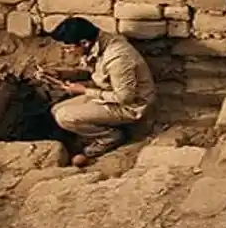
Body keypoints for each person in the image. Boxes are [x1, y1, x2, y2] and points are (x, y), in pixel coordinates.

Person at [45, 17, 156, 159]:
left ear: (84, 43)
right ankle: (93, 131)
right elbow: (92, 73)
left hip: (131, 106)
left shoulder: (117, 58)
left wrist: (84, 91)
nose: (67, 52)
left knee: (64, 117)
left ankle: (110, 137)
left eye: (69, 48)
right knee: (56, 110)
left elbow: (124, 97)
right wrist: (60, 74)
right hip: (108, 93)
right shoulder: (97, 44)